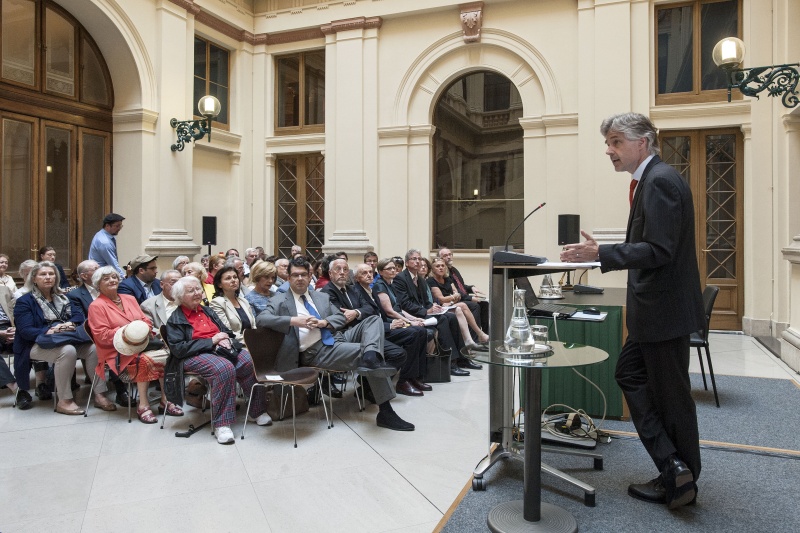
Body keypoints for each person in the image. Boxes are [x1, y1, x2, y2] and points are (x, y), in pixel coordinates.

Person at [561, 112, 704, 510]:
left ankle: (680, 476)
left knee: (671, 398)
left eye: (617, 141)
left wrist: (602, 253)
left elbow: (659, 250)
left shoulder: (659, 181)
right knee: (632, 376)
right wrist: (601, 251)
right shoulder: (650, 181)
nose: (609, 149)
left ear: (644, 141)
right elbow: (653, 242)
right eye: (608, 142)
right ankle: (675, 468)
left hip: (663, 311)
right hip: (656, 312)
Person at [256, 256, 414, 431]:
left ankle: (371, 358)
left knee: (373, 320)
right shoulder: (279, 300)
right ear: (288, 278)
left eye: (303, 275)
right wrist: (294, 321)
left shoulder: (320, 297)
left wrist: (324, 323)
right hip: (314, 351)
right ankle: (385, 411)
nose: (300, 279)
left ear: (310, 276)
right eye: (295, 275)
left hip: (335, 338)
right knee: (371, 351)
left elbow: (339, 316)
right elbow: (261, 319)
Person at [164, 276, 270, 444]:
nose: (197, 293)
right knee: (224, 368)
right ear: (180, 296)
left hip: (219, 349)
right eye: (191, 291)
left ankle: (256, 410)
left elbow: (225, 330)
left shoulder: (207, 311)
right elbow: (178, 349)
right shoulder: (175, 319)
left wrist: (225, 338)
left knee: (248, 360)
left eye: (198, 289)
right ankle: (222, 424)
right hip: (193, 355)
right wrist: (211, 341)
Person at [87, 266, 183, 423]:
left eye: (114, 277)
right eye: (106, 278)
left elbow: (145, 320)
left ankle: (166, 400)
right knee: (144, 360)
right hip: (116, 350)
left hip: (142, 343)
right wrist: (129, 332)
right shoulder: (96, 306)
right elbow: (102, 336)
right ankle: (143, 405)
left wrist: (139, 331)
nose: (112, 280)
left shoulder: (129, 299)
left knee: (169, 355)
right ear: (98, 284)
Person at [13, 261, 110, 414]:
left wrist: (68, 324)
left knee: (93, 348)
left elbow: (78, 316)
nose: (48, 277)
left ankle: (99, 394)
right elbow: (26, 331)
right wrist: (50, 330)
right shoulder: (24, 301)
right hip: (35, 343)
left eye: (51, 274)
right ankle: (64, 400)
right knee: (68, 351)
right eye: (43, 274)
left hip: (66, 337)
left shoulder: (63, 297)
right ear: (34, 278)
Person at [393, 249, 475, 376]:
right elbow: (404, 303)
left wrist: (434, 307)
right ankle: (451, 362)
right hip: (413, 314)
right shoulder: (400, 279)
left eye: (419, 259)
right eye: (414, 259)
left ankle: (463, 358)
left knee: (451, 317)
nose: (418, 261)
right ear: (407, 262)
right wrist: (426, 310)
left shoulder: (420, 279)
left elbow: (426, 300)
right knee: (442, 320)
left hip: (424, 311)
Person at [352, 262, 430, 397]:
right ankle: (403, 381)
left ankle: (414, 377)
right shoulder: (357, 292)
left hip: (383, 326)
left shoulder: (370, 290)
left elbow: (382, 314)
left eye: (370, 272)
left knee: (421, 332)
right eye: (364, 273)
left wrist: (396, 321)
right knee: (413, 333)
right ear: (356, 278)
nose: (369, 275)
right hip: (373, 333)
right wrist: (390, 325)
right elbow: (365, 320)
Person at [69, 259, 130, 406]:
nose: (99, 270)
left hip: (118, 331)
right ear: (84, 276)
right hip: (93, 334)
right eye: (95, 268)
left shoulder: (114, 291)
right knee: (109, 347)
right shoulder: (76, 295)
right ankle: (121, 390)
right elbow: (80, 320)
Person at [427, 257, 489, 347]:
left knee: (475, 305)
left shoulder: (447, 279)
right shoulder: (431, 281)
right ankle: (478, 335)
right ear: (433, 269)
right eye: (437, 266)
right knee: (464, 305)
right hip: (440, 307)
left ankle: (474, 338)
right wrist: (452, 297)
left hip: (451, 305)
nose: (441, 268)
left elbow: (458, 294)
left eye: (442, 266)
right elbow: (441, 299)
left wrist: (451, 300)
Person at [438, 247, 488, 332]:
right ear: (440, 258)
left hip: (463, 296)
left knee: (485, 304)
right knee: (475, 306)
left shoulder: (453, 270)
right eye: (445, 255)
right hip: (455, 299)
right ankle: (475, 337)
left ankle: (486, 335)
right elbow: (455, 290)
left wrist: (471, 288)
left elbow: (461, 285)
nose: (449, 257)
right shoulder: (444, 272)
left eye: (450, 254)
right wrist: (470, 298)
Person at [1, 284, 31, 409]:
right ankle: (17, 390)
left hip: (10, 328)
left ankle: (41, 384)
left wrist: (18, 329)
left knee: (32, 338)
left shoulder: (3, 289)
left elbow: (16, 311)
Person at [209, 266, 256, 341]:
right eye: (228, 278)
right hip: (235, 344)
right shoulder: (217, 303)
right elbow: (227, 332)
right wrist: (251, 340)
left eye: (235, 277)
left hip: (252, 342)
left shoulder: (243, 301)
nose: (233, 280)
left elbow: (253, 326)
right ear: (219, 284)